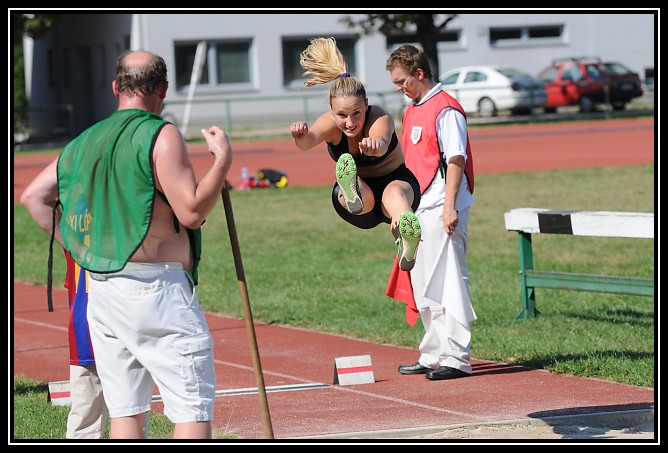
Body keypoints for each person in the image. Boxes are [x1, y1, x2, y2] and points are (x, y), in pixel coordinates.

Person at [20, 49, 233, 439]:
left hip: (102, 291)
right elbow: (191, 212)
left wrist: (80, 246)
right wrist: (221, 161)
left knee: (125, 412)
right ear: (163, 89)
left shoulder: (85, 139)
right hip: (157, 290)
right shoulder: (161, 134)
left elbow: (34, 197)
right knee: (191, 408)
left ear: (116, 88)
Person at [289, 37, 422, 271]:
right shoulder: (329, 123)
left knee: (394, 193)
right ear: (331, 110)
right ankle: (352, 192)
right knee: (361, 189)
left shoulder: (379, 117)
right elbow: (309, 142)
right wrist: (301, 136)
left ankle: (406, 236)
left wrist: (375, 145)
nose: (350, 123)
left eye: (357, 113)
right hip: (361, 204)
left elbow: (382, 142)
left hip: (396, 182)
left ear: (366, 105)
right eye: (342, 115)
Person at [385, 44, 477, 381]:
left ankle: (457, 357)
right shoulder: (412, 109)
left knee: (449, 280)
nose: (399, 87)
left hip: (442, 207)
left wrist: (450, 207)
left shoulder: (446, 109)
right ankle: (433, 352)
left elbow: (456, 159)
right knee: (423, 282)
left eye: (401, 81)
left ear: (419, 73)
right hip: (418, 208)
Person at [63, 249, 109, 439]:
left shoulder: (73, 230)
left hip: (85, 316)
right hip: (102, 312)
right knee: (132, 411)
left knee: (86, 412)